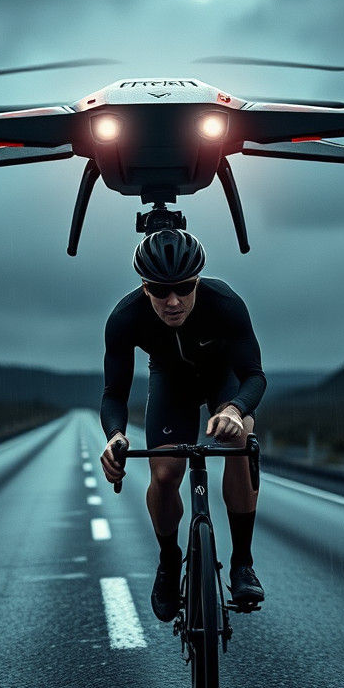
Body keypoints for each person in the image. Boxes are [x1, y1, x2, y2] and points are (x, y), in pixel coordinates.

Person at [99, 228, 267, 621]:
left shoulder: (225, 302)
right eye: (160, 291)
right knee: (164, 474)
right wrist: (115, 436)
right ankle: (169, 560)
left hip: (222, 381)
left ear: (198, 281)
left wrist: (234, 410)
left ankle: (242, 564)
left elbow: (254, 376)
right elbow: (113, 394)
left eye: (185, 288)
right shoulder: (125, 317)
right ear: (145, 287)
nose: (173, 301)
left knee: (241, 438)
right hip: (170, 384)